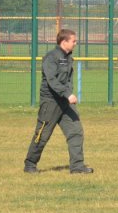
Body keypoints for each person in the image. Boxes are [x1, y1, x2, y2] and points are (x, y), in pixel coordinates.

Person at [24, 29, 93, 174]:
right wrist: (68, 94)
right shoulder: (51, 57)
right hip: (51, 101)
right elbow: (52, 80)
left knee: (76, 132)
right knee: (42, 135)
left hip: (65, 102)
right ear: (64, 42)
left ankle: (77, 167)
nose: (75, 43)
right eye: (73, 41)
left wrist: (67, 96)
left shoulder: (68, 58)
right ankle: (30, 164)